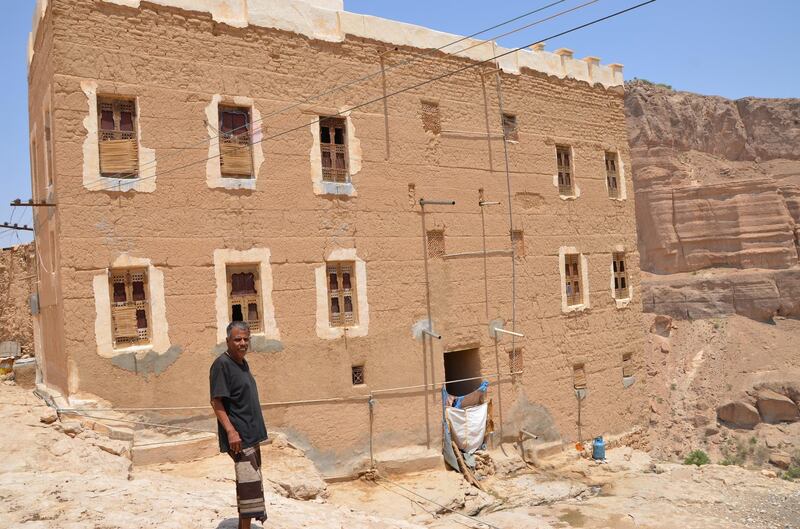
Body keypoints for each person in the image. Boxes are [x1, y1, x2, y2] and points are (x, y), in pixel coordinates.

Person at [210, 321, 268, 528]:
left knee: (250, 484)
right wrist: (231, 431)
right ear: (228, 341)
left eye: (245, 339)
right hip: (239, 437)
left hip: (251, 434)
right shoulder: (222, 365)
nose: (242, 343)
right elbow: (216, 401)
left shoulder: (242, 363)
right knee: (248, 486)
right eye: (237, 339)